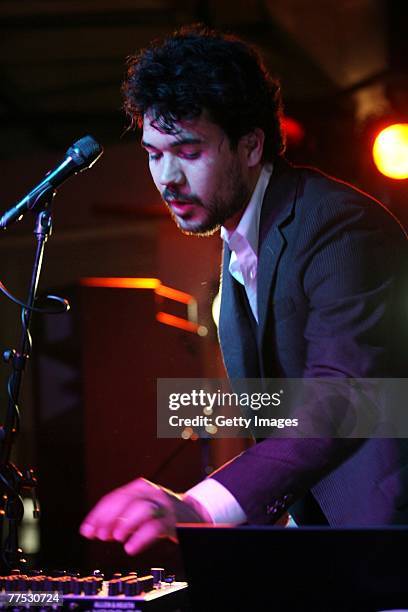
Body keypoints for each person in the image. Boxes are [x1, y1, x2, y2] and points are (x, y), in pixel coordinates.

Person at [80, 25, 408, 556]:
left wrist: (201, 506)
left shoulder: (339, 226)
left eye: (187, 151)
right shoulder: (239, 244)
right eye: (153, 153)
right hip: (336, 545)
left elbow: (344, 395)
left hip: (388, 539)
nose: (166, 178)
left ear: (251, 145)